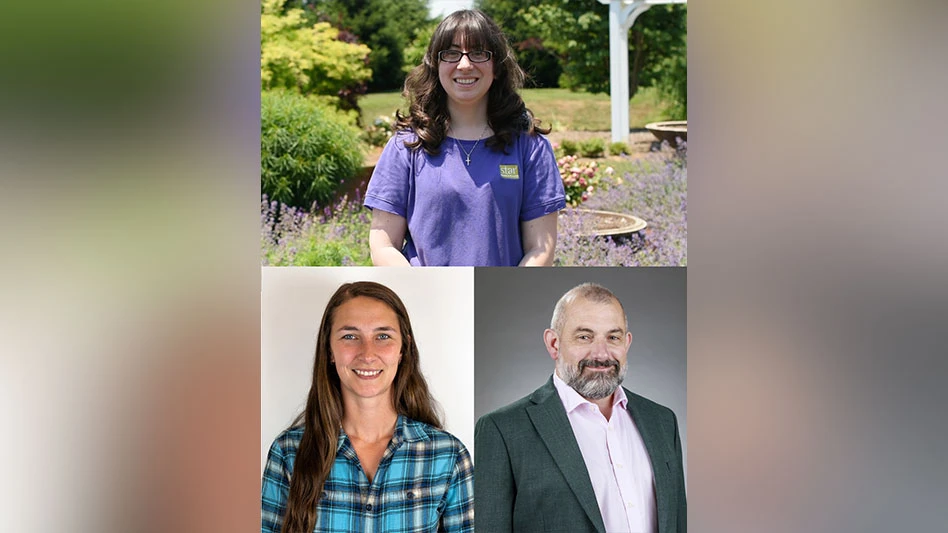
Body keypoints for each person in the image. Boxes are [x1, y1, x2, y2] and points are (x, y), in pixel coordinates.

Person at [261, 281, 474, 533]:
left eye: (382, 336)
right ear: (329, 349)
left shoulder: (447, 456)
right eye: (350, 337)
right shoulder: (288, 453)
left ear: (402, 349)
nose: (368, 353)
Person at [475, 283, 687, 533]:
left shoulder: (662, 422)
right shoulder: (503, 430)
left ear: (626, 343)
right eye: (584, 337)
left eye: (613, 337)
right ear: (554, 343)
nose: (601, 353)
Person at [364, 9, 566, 266]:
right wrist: (422, 294)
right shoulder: (406, 147)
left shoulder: (530, 148)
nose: (465, 64)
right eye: (451, 53)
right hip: (426, 300)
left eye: (479, 52)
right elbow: (383, 244)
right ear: (435, 65)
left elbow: (540, 249)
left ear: (497, 66)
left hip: (496, 301)